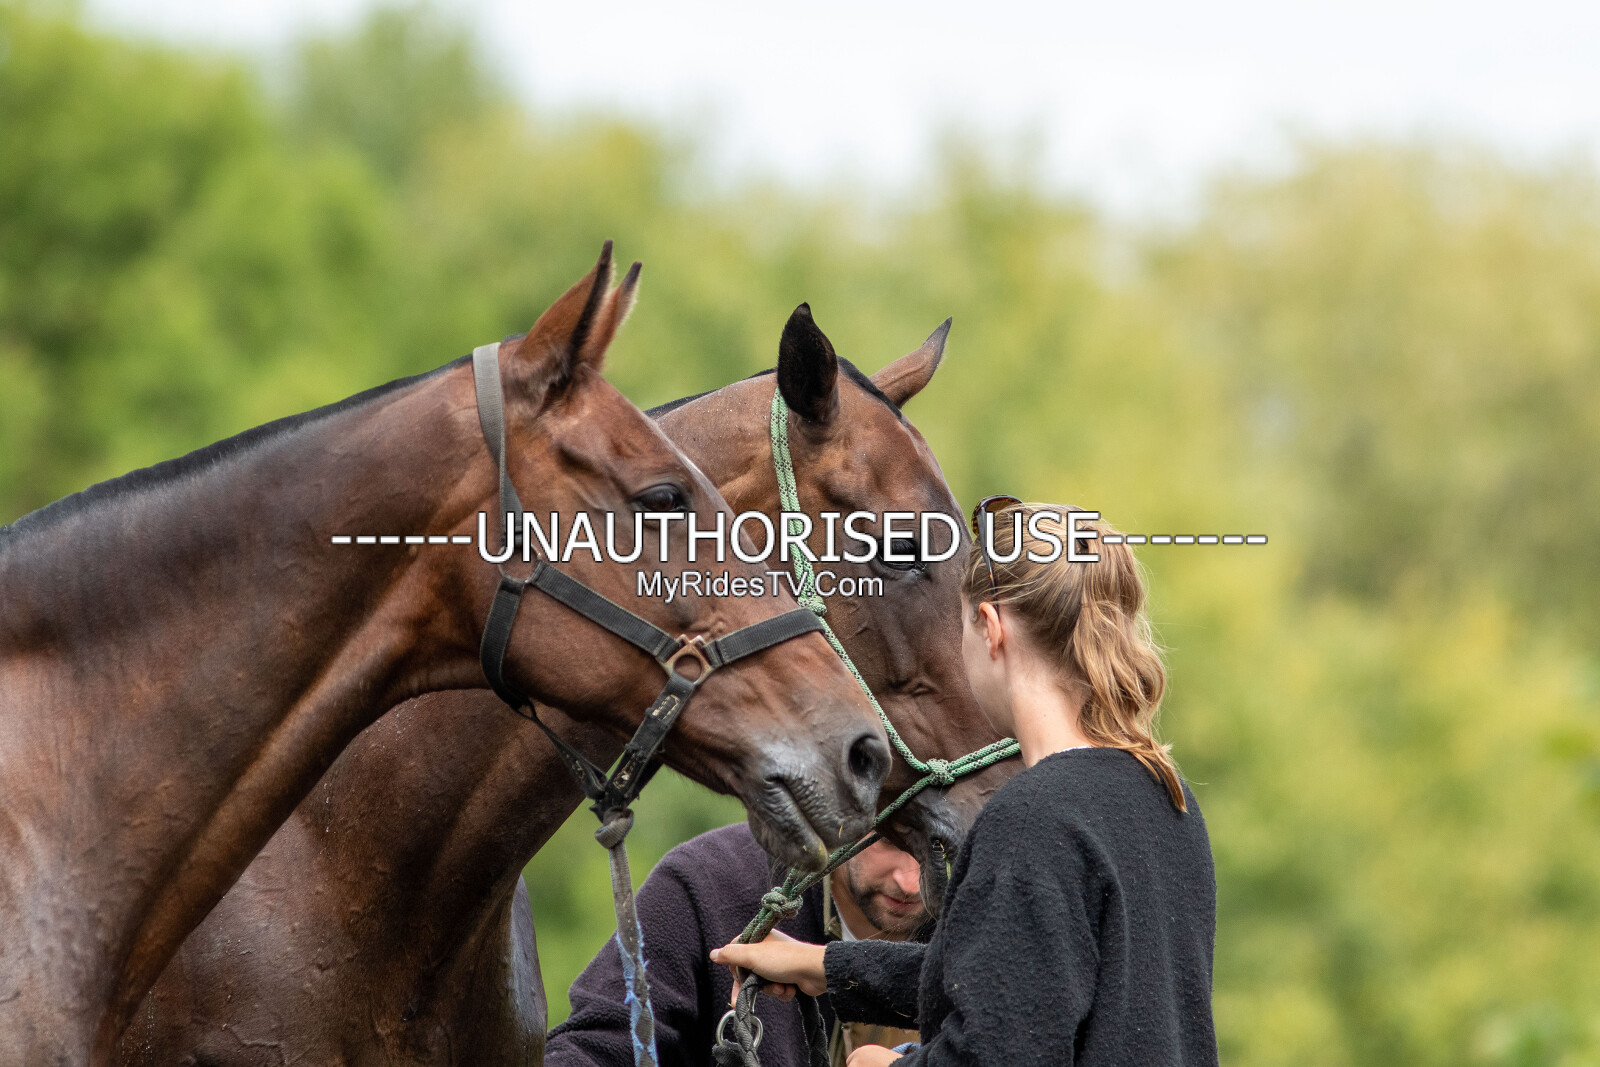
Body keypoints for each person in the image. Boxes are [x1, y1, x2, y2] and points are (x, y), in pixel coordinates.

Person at [711, 502, 1219, 1067]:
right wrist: (825, 967)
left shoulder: (1034, 817)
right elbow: (1024, 983)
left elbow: (1000, 1050)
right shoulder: (1164, 796)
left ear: (990, 627)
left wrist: (884, 1065)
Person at [545, 823, 927, 1067]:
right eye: (888, 840)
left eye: (935, 849)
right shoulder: (709, 882)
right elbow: (596, 1048)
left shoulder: (964, 911)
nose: (911, 882)